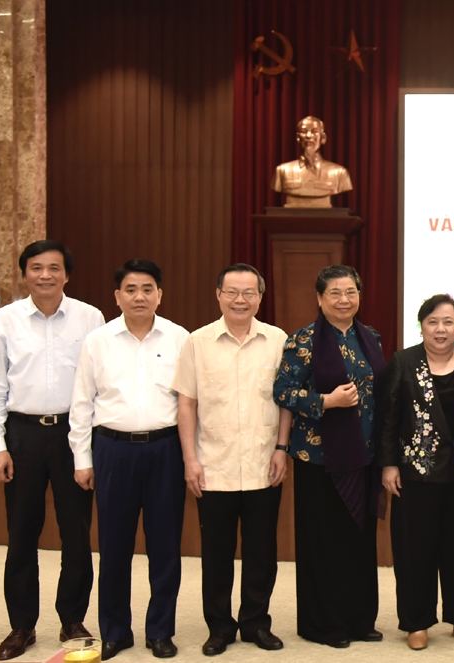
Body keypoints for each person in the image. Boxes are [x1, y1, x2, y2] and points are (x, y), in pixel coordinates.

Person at [67, 260, 189, 660]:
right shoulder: (97, 341)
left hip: (165, 449)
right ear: (117, 296)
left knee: (165, 545)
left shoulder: (179, 338)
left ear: (160, 294)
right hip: (112, 450)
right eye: (131, 289)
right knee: (114, 546)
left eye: (148, 289)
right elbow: (82, 404)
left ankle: (160, 630)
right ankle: (116, 630)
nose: (140, 296)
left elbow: (191, 405)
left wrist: (191, 457)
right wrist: (82, 459)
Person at [0, 240, 104, 660]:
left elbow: (96, 383)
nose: (45, 275)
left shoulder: (91, 317)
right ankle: (22, 626)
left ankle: (72, 618)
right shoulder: (3, 321)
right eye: (36, 268)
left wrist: (88, 447)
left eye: (54, 268)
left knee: (76, 533)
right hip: (22, 436)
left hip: (74, 434)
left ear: (66, 275)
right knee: (21, 534)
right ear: (24, 274)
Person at [171, 263, 289, 657]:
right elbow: (186, 404)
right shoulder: (197, 342)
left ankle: (256, 623)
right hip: (213, 467)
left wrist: (282, 448)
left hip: (263, 466)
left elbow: (286, 402)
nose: (241, 300)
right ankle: (220, 627)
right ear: (218, 294)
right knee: (216, 555)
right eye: (233, 292)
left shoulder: (277, 340)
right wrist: (190, 459)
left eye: (249, 293)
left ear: (261, 296)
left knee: (261, 553)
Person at [273, 264, 385, 648]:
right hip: (319, 460)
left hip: (364, 455)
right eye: (334, 293)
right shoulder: (302, 341)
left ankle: (358, 620)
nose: (344, 299)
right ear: (320, 299)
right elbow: (282, 392)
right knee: (323, 543)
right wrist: (326, 401)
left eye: (350, 292)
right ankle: (324, 624)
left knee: (358, 541)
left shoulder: (370, 337)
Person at [376, 294, 454, 651]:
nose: (441, 329)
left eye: (448, 322)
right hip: (415, 474)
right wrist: (388, 464)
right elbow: (388, 418)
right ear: (421, 325)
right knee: (414, 550)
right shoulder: (403, 362)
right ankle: (416, 621)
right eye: (433, 322)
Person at [272, 116, 352, 208]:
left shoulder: (339, 173)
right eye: (303, 132)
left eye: (314, 132)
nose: (308, 136)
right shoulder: (282, 171)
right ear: (298, 137)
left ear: (323, 138)